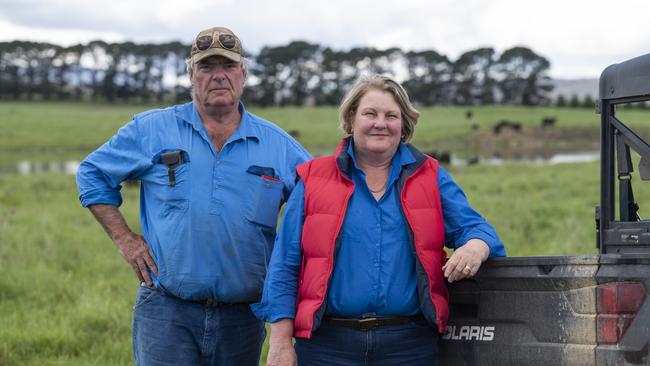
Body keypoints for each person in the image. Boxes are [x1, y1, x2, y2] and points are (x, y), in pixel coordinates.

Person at [76, 26, 311, 366]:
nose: (218, 76)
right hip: (165, 311)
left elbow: (322, 199)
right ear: (191, 75)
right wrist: (125, 239)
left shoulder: (278, 146)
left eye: (228, 66)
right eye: (206, 67)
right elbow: (92, 173)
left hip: (244, 317)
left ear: (243, 74)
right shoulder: (152, 130)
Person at [251, 74, 506, 366]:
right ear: (350, 120)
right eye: (369, 113)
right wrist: (281, 343)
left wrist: (474, 246)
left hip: (409, 347)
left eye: (391, 115)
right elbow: (285, 264)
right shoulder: (313, 178)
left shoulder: (430, 176)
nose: (380, 123)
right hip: (327, 348)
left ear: (404, 124)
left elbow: (477, 229)